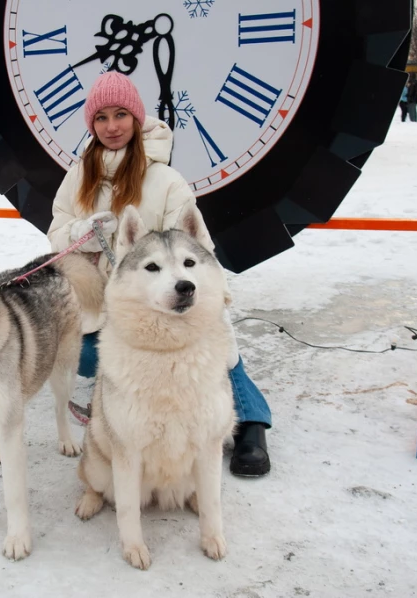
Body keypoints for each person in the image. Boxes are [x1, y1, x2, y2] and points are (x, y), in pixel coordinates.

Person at [47, 72, 272, 477]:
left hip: (163, 298)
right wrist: (84, 234)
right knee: (87, 357)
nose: (111, 126)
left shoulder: (165, 181)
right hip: (100, 304)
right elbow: (56, 236)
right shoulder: (79, 177)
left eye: (120, 115)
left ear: (136, 118)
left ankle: (251, 424)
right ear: (91, 124)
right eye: (101, 118)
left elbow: (198, 247)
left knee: (212, 345)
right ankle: (125, 415)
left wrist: (208, 297)